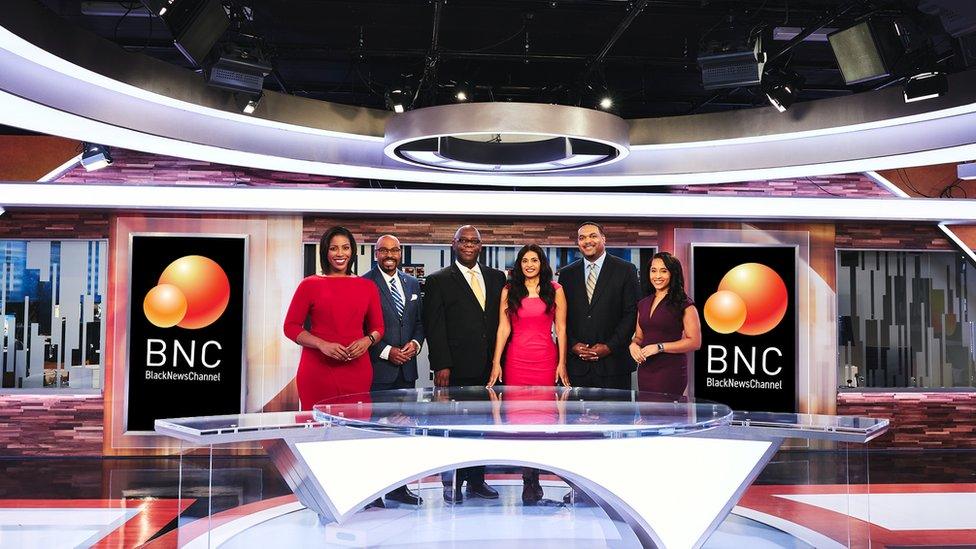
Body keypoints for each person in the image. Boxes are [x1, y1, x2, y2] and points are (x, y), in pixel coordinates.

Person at [422, 225, 506, 505]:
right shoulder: (438, 280)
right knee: (453, 425)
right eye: (463, 240)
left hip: (489, 367)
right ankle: (451, 481)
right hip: (455, 367)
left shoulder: (497, 278)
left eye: (474, 241)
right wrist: (441, 365)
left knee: (483, 425)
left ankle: (477, 479)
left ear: (480, 246)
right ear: (454, 244)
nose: (469, 245)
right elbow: (435, 327)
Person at [487, 244, 569, 504]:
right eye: (525, 261)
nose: (529, 265)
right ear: (519, 265)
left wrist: (562, 363)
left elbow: (562, 329)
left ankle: (536, 474)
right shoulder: (509, 291)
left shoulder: (555, 291)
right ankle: (527, 478)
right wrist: (496, 363)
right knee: (519, 421)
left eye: (534, 260)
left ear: (541, 263)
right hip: (517, 361)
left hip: (545, 359)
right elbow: (503, 329)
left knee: (544, 421)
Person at [283, 226, 383, 410]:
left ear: (352, 251)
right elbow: (290, 327)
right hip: (317, 370)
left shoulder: (367, 287)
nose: (340, 253)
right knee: (316, 428)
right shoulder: (309, 285)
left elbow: (378, 328)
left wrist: (367, 340)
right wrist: (322, 345)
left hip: (357, 369)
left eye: (345, 247)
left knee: (354, 430)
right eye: (333, 248)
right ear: (325, 251)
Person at [362, 234, 425, 506]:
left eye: (394, 250)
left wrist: (414, 344)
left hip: (406, 373)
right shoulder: (365, 283)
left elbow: (419, 323)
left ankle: (399, 488)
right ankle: (373, 492)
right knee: (375, 434)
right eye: (383, 250)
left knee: (403, 433)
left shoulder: (411, 282)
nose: (389, 255)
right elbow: (362, 327)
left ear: (400, 253)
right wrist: (387, 351)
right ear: (376, 254)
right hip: (378, 371)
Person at [558, 222, 640, 390]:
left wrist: (609, 347)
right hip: (576, 367)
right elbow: (561, 316)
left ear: (604, 239)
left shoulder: (626, 270)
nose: (587, 241)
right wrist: (573, 345)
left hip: (614, 366)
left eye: (593, 236)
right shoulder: (566, 274)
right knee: (574, 417)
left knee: (616, 417)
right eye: (582, 238)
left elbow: (631, 313)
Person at [629, 252, 702, 396]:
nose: (657, 276)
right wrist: (633, 345)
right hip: (645, 369)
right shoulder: (643, 303)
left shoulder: (684, 304)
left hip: (670, 370)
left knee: (666, 415)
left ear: (673, 274)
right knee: (647, 413)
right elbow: (639, 337)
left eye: (664, 271)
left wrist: (660, 347)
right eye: (653, 270)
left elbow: (695, 342)